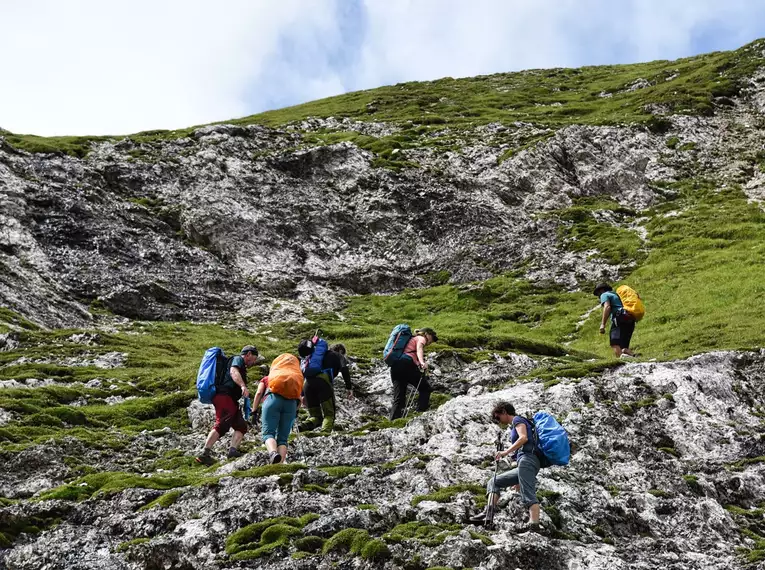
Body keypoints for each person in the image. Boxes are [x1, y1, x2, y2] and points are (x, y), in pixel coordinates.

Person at [469, 402, 544, 529]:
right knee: (494, 482)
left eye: (497, 417)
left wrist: (505, 452)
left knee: (528, 493)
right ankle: (488, 513)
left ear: (504, 412)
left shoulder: (517, 420)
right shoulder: (515, 423)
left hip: (527, 460)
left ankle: (534, 525)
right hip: (526, 463)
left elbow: (523, 438)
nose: (498, 421)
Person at [196, 345, 259, 466]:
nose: (254, 362)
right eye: (254, 358)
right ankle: (204, 453)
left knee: (241, 426)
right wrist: (242, 386)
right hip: (224, 396)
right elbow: (233, 371)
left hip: (231, 399)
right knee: (222, 424)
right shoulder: (238, 359)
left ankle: (232, 451)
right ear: (249, 354)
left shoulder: (242, 365)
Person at [297, 340, 354, 432]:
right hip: (323, 382)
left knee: (315, 416)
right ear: (340, 351)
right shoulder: (338, 356)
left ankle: (303, 427)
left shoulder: (315, 358)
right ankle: (325, 433)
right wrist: (349, 388)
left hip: (307, 384)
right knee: (329, 414)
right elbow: (344, 370)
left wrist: (302, 394)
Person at [261, 353, 304, 464]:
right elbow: (300, 400)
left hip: (273, 399)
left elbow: (259, 393)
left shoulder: (275, 374)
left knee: (268, 433)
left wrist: (254, 410)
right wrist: (296, 410)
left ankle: (273, 453)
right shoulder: (296, 376)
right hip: (291, 404)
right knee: (283, 439)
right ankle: (279, 465)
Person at [389, 327, 437, 420]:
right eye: (432, 337)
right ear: (426, 334)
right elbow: (419, 349)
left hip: (395, 367)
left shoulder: (409, 340)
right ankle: (420, 415)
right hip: (407, 365)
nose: (431, 342)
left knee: (399, 397)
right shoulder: (421, 338)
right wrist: (422, 362)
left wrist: (419, 364)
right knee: (425, 389)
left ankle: (393, 421)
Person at [594, 283, 636, 358]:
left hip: (619, 319)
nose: (598, 296)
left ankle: (622, 363)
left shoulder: (604, 295)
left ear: (601, 290)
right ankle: (634, 358)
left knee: (615, 343)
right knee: (624, 347)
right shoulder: (616, 295)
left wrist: (603, 324)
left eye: (597, 293)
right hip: (630, 319)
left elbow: (607, 307)